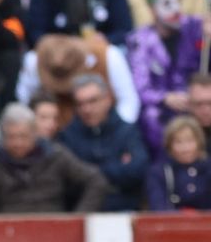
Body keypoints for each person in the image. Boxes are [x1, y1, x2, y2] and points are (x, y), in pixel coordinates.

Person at [127, 0, 211, 152]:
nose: (175, 9)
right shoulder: (140, 40)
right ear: (152, 9)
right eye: (167, 3)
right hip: (168, 107)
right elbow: (141, 88)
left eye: (178, 1)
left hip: (201, 98)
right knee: (150, 117)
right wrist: (165, 98)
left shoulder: (198, 26)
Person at [0, 101, 109, 211]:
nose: (18, 143)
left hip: (54, 229)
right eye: (11, 137)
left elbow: (95, 180)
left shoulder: (56, 156)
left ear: (34, 134)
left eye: (23, 136)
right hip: (7, 232)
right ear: (2, 137)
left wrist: (78, 218)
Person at [58, 73, 149, 210]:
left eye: (92, 101)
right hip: (82, 211)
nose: (86, 109)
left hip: (123, 210)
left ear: (107, 99)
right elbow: (68, 181)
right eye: (80, 104)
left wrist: (89, 172)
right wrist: (117, 169)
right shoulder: (68, 136)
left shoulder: (127, 131)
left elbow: (138, 170)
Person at [146, 113, 211, 210]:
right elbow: (158, 207)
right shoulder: (159, 172)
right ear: (169, 145)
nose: (185, 148)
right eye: (178, 142)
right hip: (172, 224)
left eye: (190, 141)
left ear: (199, 142)